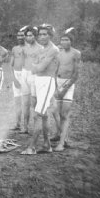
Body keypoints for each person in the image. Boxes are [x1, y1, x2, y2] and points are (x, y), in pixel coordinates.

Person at [21, 24, 60, 155]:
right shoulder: (41, 49)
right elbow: (33, 67)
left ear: (51, 35)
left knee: (38, 114)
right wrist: (35, 66)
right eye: (41, 34)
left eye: (45, 34)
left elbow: (40, 67)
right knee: (43, 116)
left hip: (47, 82)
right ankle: (47, 145)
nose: (42, 37)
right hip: (38, 81)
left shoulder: (53, 49)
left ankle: (31, 147)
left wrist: (34, 65)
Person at [51, 30, 81, 152]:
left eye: (67, 40)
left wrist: (65, 88)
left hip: (68, 84)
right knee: (54, 111)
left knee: (64, 115)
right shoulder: (59, 53)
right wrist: (55, 86)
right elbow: (55, 70)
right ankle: (60, 134)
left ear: (71, 41)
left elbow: (76, 74)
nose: (64, 42)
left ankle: (62, 143)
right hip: (58, 82)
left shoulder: (76, 53)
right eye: (62, 40)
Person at [19, 26, 41, 134]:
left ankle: (36, 127)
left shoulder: (40, 48)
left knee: (34, 102)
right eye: (27, 35)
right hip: (25, 74)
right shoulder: (24, 48)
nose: (28, 37)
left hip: (34, 76)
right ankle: (25, 127)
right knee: (25, 102)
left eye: (31, 35)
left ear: (35, 36)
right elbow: (23, 61)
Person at [10, 28, 26, 131]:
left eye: (22, 35)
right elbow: (11, 65)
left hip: (26, 75)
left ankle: (26, 125)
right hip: (16, 74)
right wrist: (14, 79)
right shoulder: (14, 49)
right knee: (17, 101)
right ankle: (18, 123)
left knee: (27, 101)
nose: (20, 37)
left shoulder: (29, 48)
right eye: (18, 36)